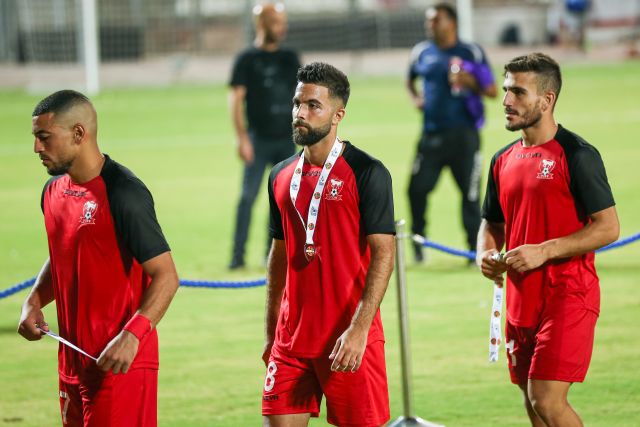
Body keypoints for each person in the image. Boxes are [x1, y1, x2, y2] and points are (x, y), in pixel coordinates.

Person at [18, 90, 179, 426]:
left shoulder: (124, 192)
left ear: (79, 133)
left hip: (120, 364)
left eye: (44, 137)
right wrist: (34, 300)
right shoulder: (53, 192)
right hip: (71, 362)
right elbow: (65, 253)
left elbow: (166, 275)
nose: (36, 148)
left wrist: (132, 335)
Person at [477, 53, 619, 427]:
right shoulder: (502, 160)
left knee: (547, 399)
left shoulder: (577, 155)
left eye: (518, 92)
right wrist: (485, 253)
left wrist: (545, 250)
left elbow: (608, 227)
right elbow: (491, 222)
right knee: (532, 401)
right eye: (506, 90)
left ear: (547, 99)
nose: (506, 101)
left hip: (567, 294)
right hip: (520, 299)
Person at [262, 62, 395, 427]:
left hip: (347, 337)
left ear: (338, 115)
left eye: (313, 105)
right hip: (290, 342)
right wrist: (271, 332)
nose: (300, 113)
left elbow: (384, 252)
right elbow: (278, 256)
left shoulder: (367, 172)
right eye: (297, 103)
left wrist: (360, 329)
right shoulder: (280, 175)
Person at [406, 2, 497, 263]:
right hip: (431, 136)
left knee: (470, 195)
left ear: (452, 23)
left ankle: (474, 251)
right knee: (416, 190)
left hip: (464, 137)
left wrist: (469, 82)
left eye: (436, 20)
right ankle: (418, 245)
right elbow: (410, 80)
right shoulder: (422, 52)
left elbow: (492, 90)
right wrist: (416, 98)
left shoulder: (471, 52)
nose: (430, 25)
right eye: (429, 20)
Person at [228, 1, 301, 269]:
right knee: (247, 197)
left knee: (283, 200)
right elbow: (236, 100)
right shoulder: (247, 59)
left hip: (286, 140)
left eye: (283, 23)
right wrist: (242, 138)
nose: (282, 28)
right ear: (261, 24)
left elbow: (301, 96)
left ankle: (272, 254)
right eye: (276, 23)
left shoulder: (290, 58)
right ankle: (237, 257)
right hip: (258, 140)